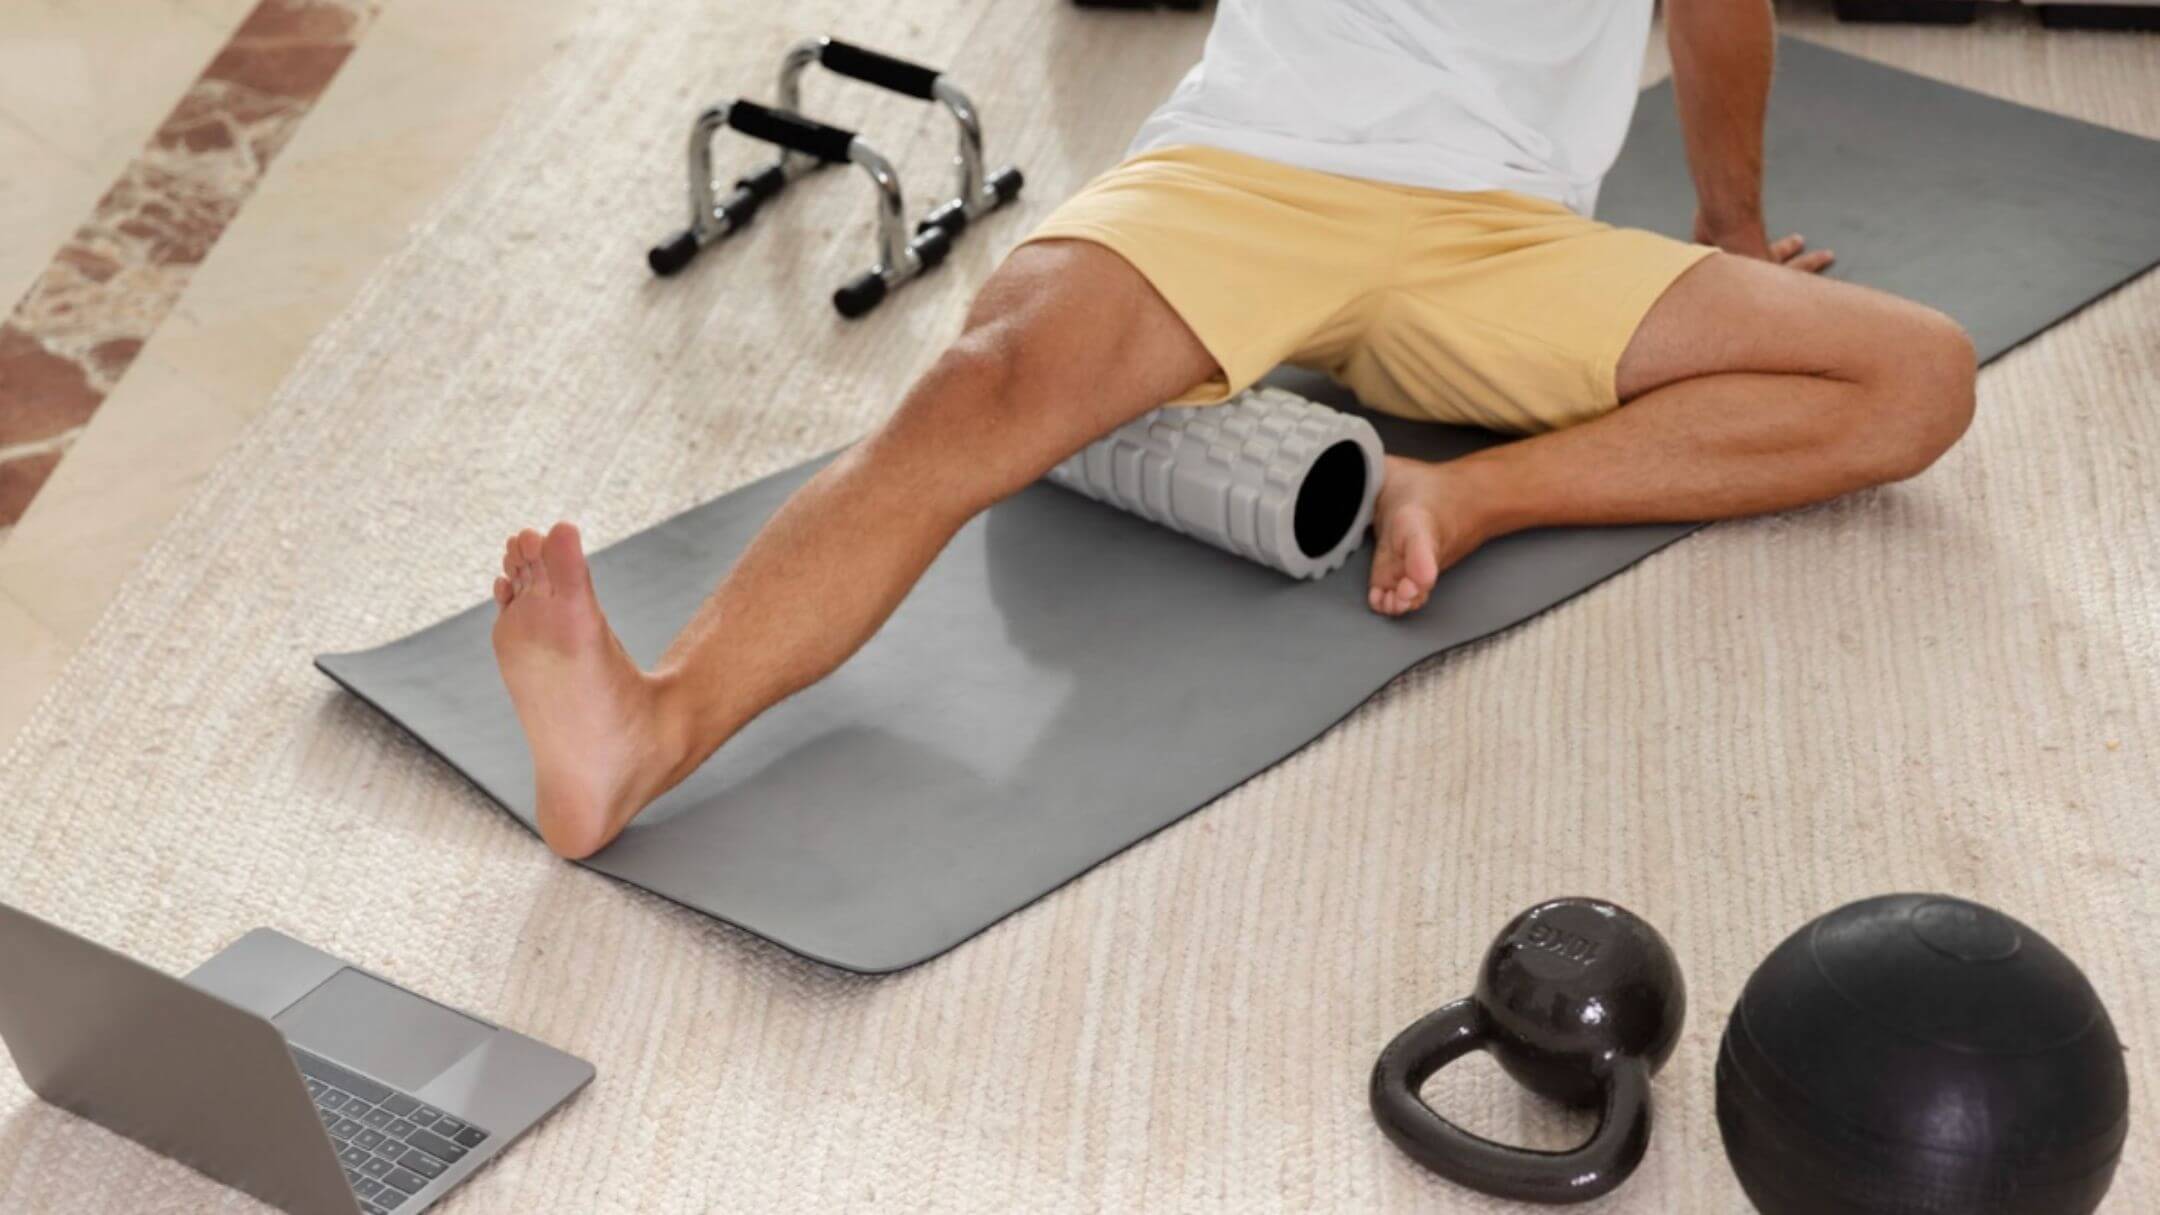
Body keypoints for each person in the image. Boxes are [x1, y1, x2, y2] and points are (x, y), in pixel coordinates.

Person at [488, 0, 1976, 859]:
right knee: (987, 382)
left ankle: (1474, 496)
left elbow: (1717, 11)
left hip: (1503, 234)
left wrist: (1731, 232)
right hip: (1247, 176)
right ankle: (647, 729)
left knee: (1916, 378)